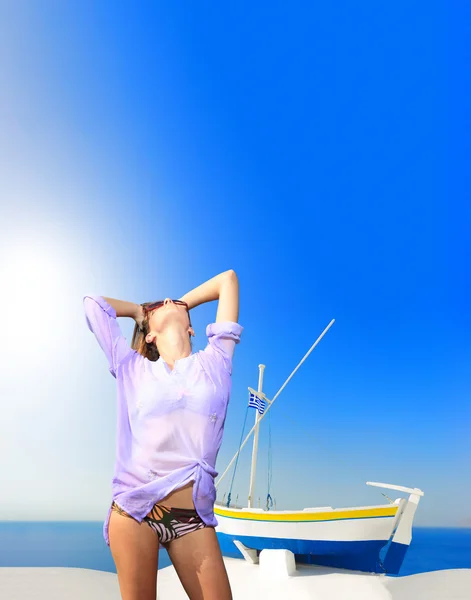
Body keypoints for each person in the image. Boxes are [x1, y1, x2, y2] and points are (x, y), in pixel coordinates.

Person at [82, 269, 242, 600]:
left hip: (192, 518)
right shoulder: (132, 368)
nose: (167, 301)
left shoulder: (216, 361)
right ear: (149, 335)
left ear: (192, 327)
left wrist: (179, 304)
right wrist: (141, 311)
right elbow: (94, 305)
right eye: (158, 305)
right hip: (135, 511)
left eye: (172, 303)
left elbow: (227, 280)